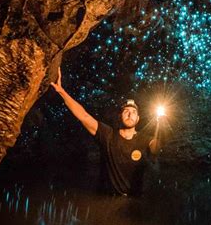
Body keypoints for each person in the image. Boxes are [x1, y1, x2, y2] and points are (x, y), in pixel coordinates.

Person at [50, 67, 160, 196]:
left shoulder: (145, 139)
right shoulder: (107, 135)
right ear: (120, 116)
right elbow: (84, 116)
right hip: (107, 200)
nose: (130, 114)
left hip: (133, 203)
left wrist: (161, 127)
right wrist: (61, 91)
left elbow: (156, 147)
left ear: (138, 118)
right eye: (126, 111)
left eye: (134, 112)